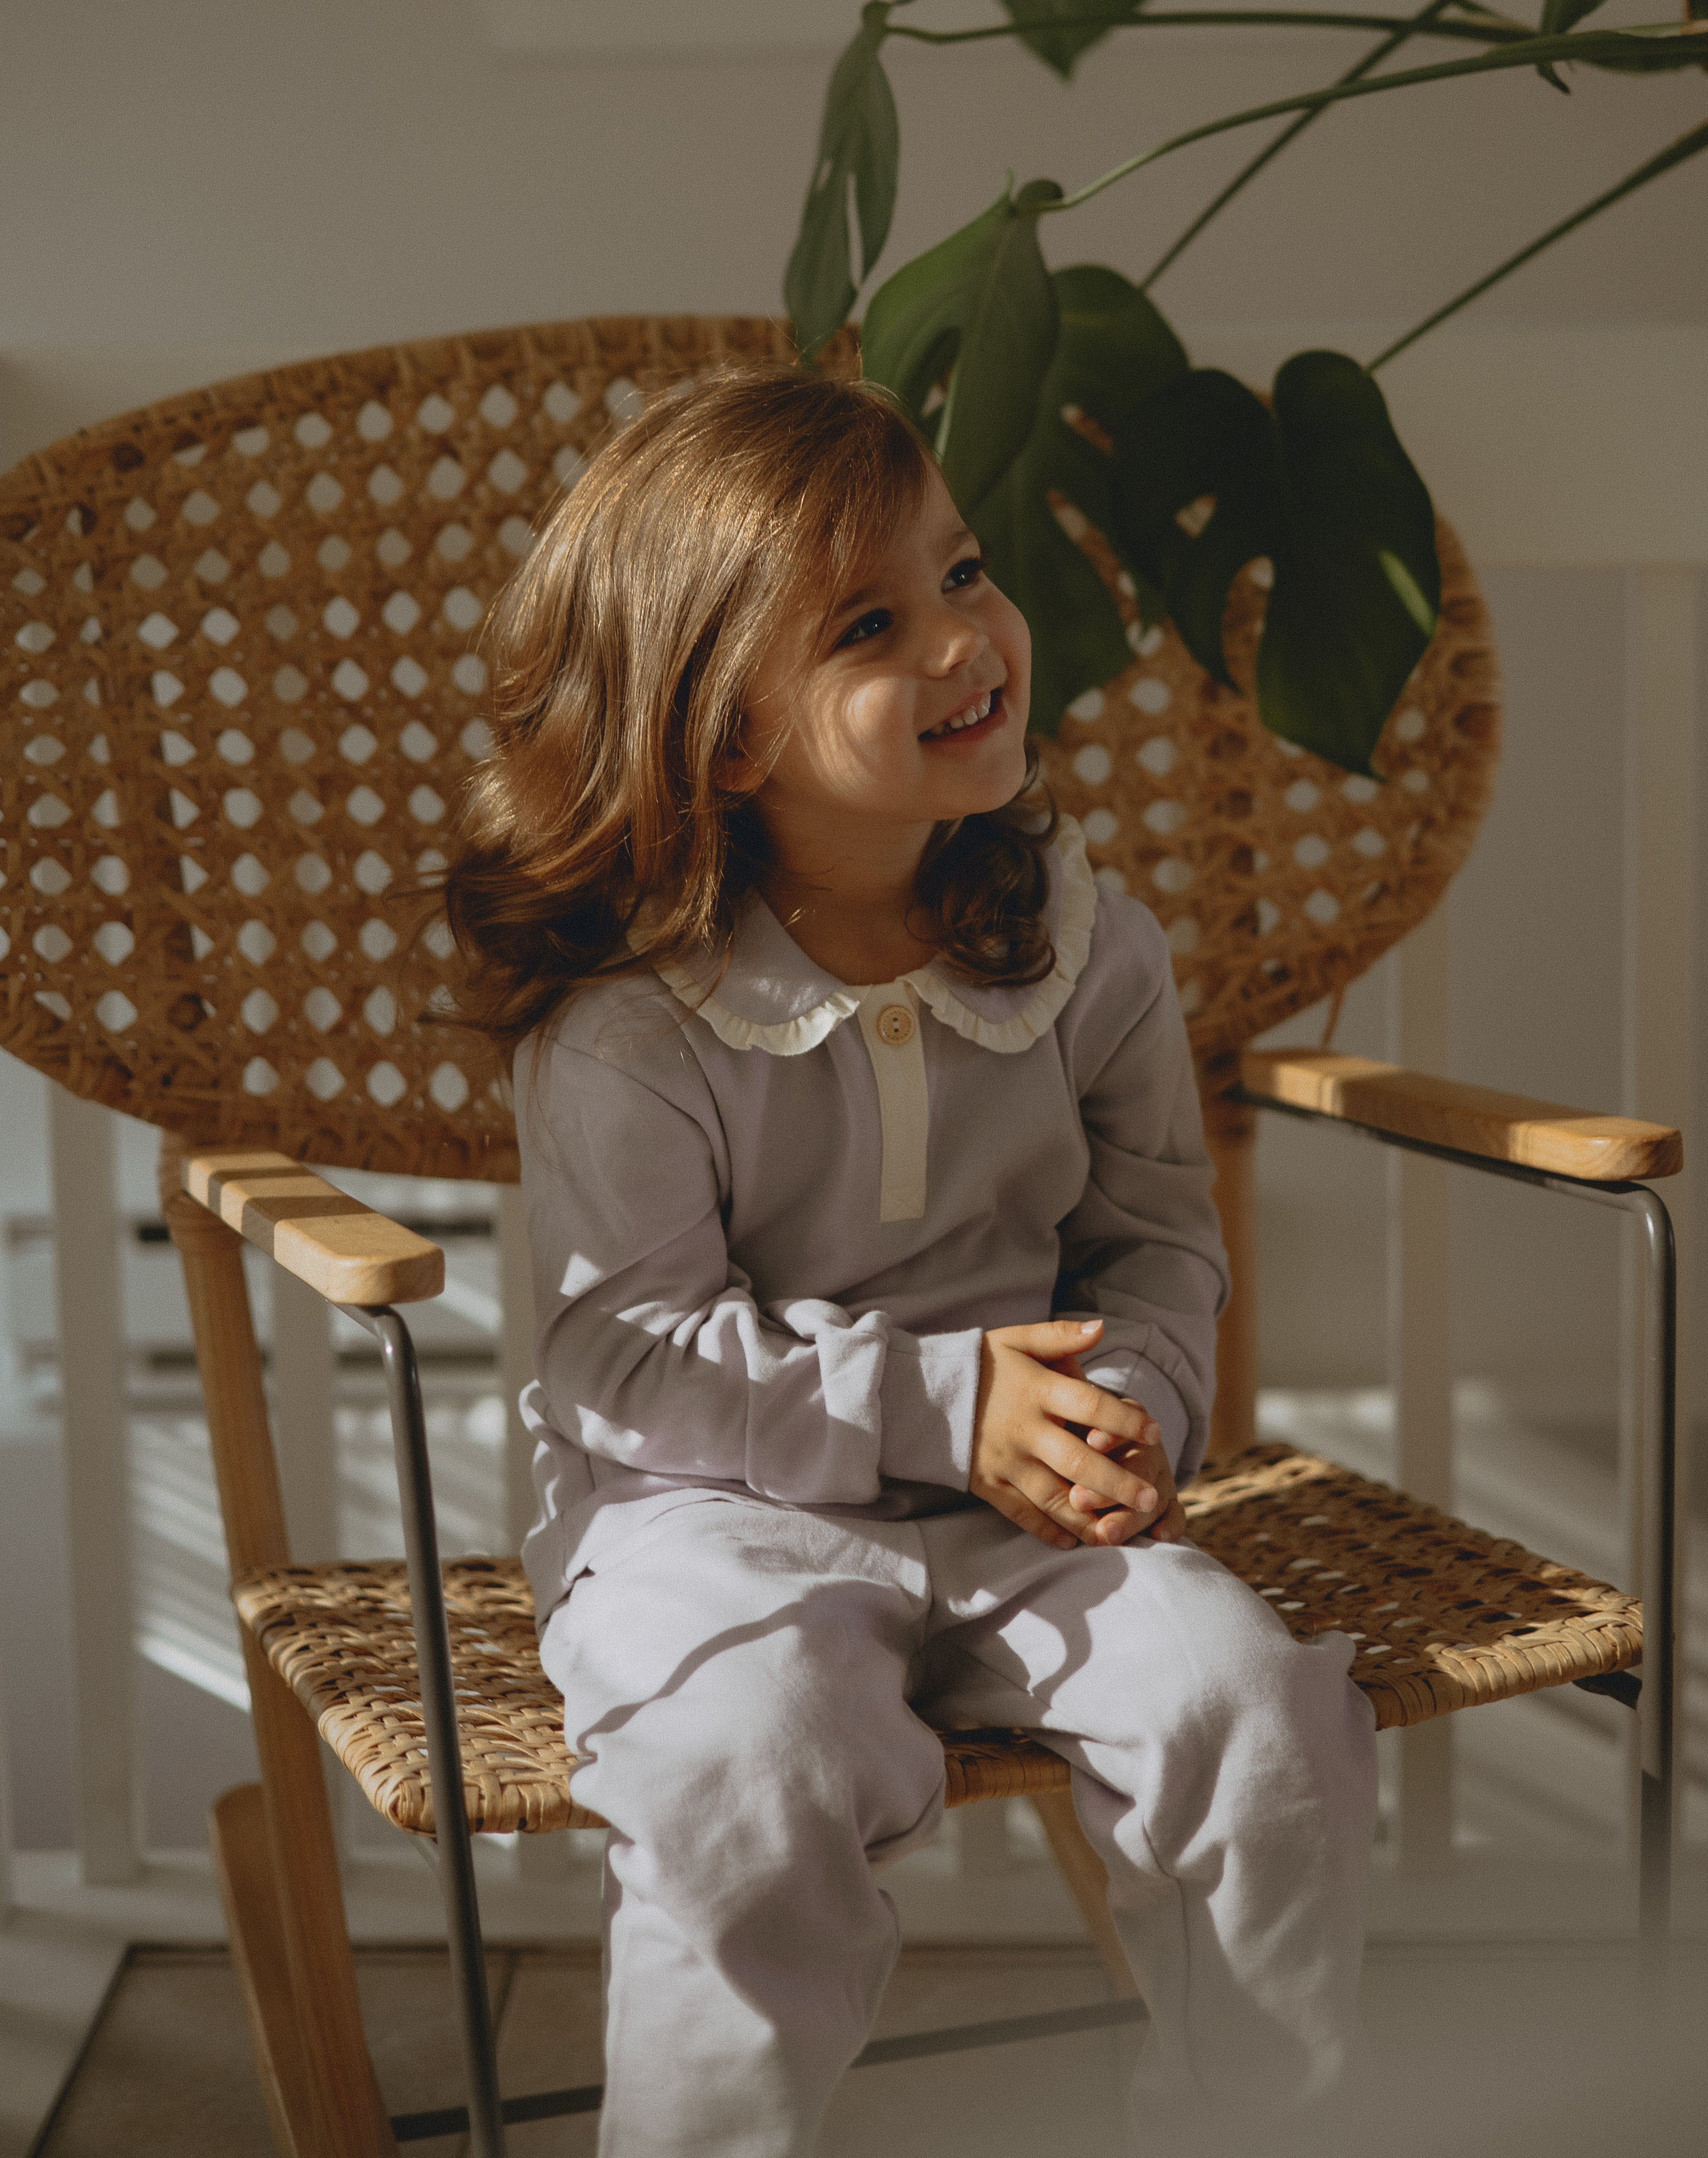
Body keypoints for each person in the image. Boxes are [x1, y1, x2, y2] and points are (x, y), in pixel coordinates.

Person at [438, 367, 1377, 2157]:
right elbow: (625, 1358)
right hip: (701, 1517)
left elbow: (1154, 1233)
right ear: (726, 739)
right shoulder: (641, 1023)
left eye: (960, 571)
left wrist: (1125, 1414)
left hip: (1027, 1505)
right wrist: (948, 1403)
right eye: (873, 622)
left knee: (1253, 1717)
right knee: (748, 1768)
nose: (966, 638)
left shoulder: (1089, 951)